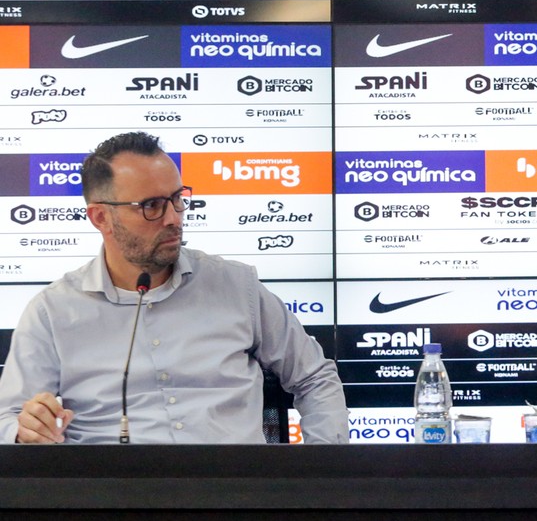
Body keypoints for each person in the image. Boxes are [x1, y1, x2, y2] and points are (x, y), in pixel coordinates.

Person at [0, 131, 349, 444]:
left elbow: (314, 376)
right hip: (112, 498)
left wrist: (325, 476)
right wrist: (25, 431)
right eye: (151, 206)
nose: (173, 218)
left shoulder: (235, 286)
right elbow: (8, 418)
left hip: (237, 494)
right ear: (100, 218)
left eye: (177, 198)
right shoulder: (54, 310)